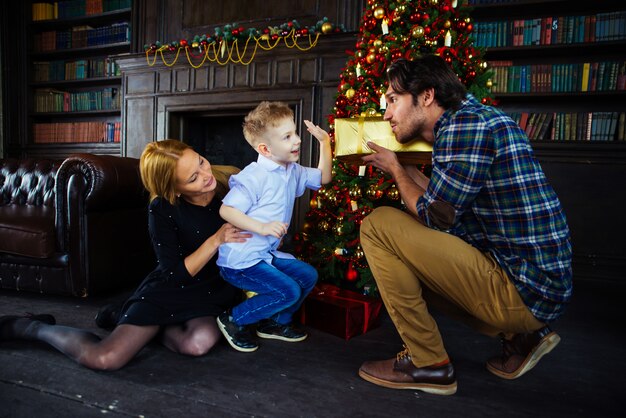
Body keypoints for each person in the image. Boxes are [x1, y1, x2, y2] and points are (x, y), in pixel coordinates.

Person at [357, 55, 572, 395]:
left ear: (426, 96)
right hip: (535, 287)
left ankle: (428, 364)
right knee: (408, 261)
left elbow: (436, 218)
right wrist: (405, 169)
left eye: (393, 100)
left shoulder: (464, 128)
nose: (386, 115)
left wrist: (397, 171)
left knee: (377, 225)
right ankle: (522, 337)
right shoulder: (474, 119)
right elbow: (448, 205)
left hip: (524, 290)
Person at [0, 139, 251, 370]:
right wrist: (216, 240)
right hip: (173, 287)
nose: (206, 175)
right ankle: (30, 326)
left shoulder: (232, 182)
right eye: (193, 178)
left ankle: (122, 314)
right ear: (174, 190)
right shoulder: (162, 209)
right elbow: (174, 275)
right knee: (105, 358)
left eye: (201, 161)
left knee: (197, 344)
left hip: (212, 290)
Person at [216, 101, 332, 352]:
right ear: (265, 149)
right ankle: (234, 319)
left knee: (307, 275)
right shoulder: (253, 176)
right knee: (288, 291)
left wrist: (325, 143)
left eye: (295, 133)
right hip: (241, 261)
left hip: (264, 255)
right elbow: (227, 210)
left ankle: (274, 323)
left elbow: (323, 178)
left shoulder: (293, 170)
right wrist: (262, 227)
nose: (298, 140)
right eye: (287, 136)